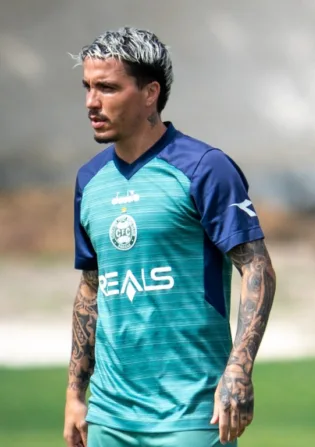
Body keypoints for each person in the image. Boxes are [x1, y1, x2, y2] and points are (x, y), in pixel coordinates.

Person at [63, 27, 277, 447]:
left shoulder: (204, 168)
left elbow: (257, 267)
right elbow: (91, 287)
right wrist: (75, 394)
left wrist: (238, 369)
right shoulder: (90, 179)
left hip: (191, 416)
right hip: (109, 418)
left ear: (150, 93)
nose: (91, 102)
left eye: (107, 88)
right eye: (88, 87)